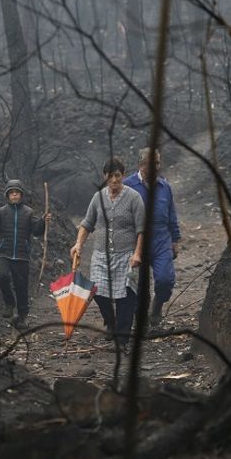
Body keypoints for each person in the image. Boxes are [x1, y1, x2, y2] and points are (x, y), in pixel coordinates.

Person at [70, 157, 145, 346]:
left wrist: (137, 253)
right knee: (98, 291)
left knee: (125, 296)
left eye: (117, 176)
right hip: (101, 255)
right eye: (110, 176)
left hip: (126, 255)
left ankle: (122, 338)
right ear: (105, 177)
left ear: (123, 175)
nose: (114, 180)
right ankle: (111, 323)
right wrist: (78, 244)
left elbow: (142, 229)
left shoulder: (134, 198)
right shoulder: (98, 197)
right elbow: (87, 224)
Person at [0, 179, 51, 329]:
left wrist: (44, 220)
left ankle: (22, 316)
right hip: (4, 252)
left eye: (17, 192)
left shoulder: (28, 212)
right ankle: (9, 303)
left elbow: (36, 231)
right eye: (12, 193)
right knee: (1, 276)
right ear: (8, 196)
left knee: (21, 286)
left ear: (21, 195)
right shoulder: (1, 212)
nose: (15, 195)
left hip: (22, 255)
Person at [122, 147, 181, 326]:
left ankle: (157, 306)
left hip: (161, 238)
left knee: (165, 279)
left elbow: (172, 215)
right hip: (135, 241)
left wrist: (175, 240)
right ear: (141, 165)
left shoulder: (165, 186)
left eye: (157, 162)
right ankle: (140, 320)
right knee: (138, 285)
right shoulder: (128, 186)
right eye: (151, 163)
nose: (156, 167)